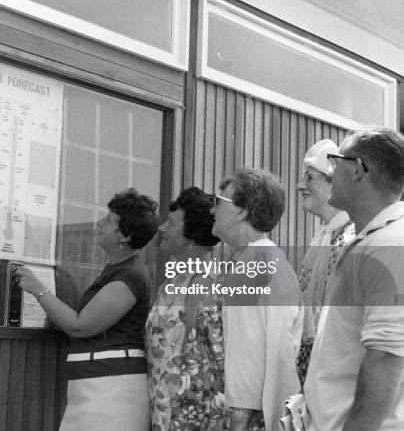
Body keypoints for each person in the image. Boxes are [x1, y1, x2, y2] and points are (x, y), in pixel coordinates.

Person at [16, 188, 159, 431]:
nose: (99, 223)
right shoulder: (119, 269)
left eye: (110, 220)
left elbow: (80, 326)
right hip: (98, 387)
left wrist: (39, 290)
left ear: (125, 235)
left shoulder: (129, 276)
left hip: (112, 391)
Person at [304, 127, 404, 431]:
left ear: (359, 169)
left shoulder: (389, 245)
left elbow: (386, 359)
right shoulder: (374, 240)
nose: (331, 172)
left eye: (336, 162)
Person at [210, 168, 303, 431]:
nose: (211, 210)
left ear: (242, 211)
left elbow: (247, 352)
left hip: (250, 418)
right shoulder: (268, 259)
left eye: (218, 202)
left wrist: (237, 419)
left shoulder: (253, 266)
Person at [145, 187, 224, 430]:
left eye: (171, 223)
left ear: (190, 234)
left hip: (182, 411)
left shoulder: (201, 282)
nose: (162, 228)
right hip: (163, 403)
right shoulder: (177, 280)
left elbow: (198, 356)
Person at [295, 139, 355, 383]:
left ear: (334, 183)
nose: (300, 185)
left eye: (309, 177)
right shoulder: (323, 235)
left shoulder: (349, 238)